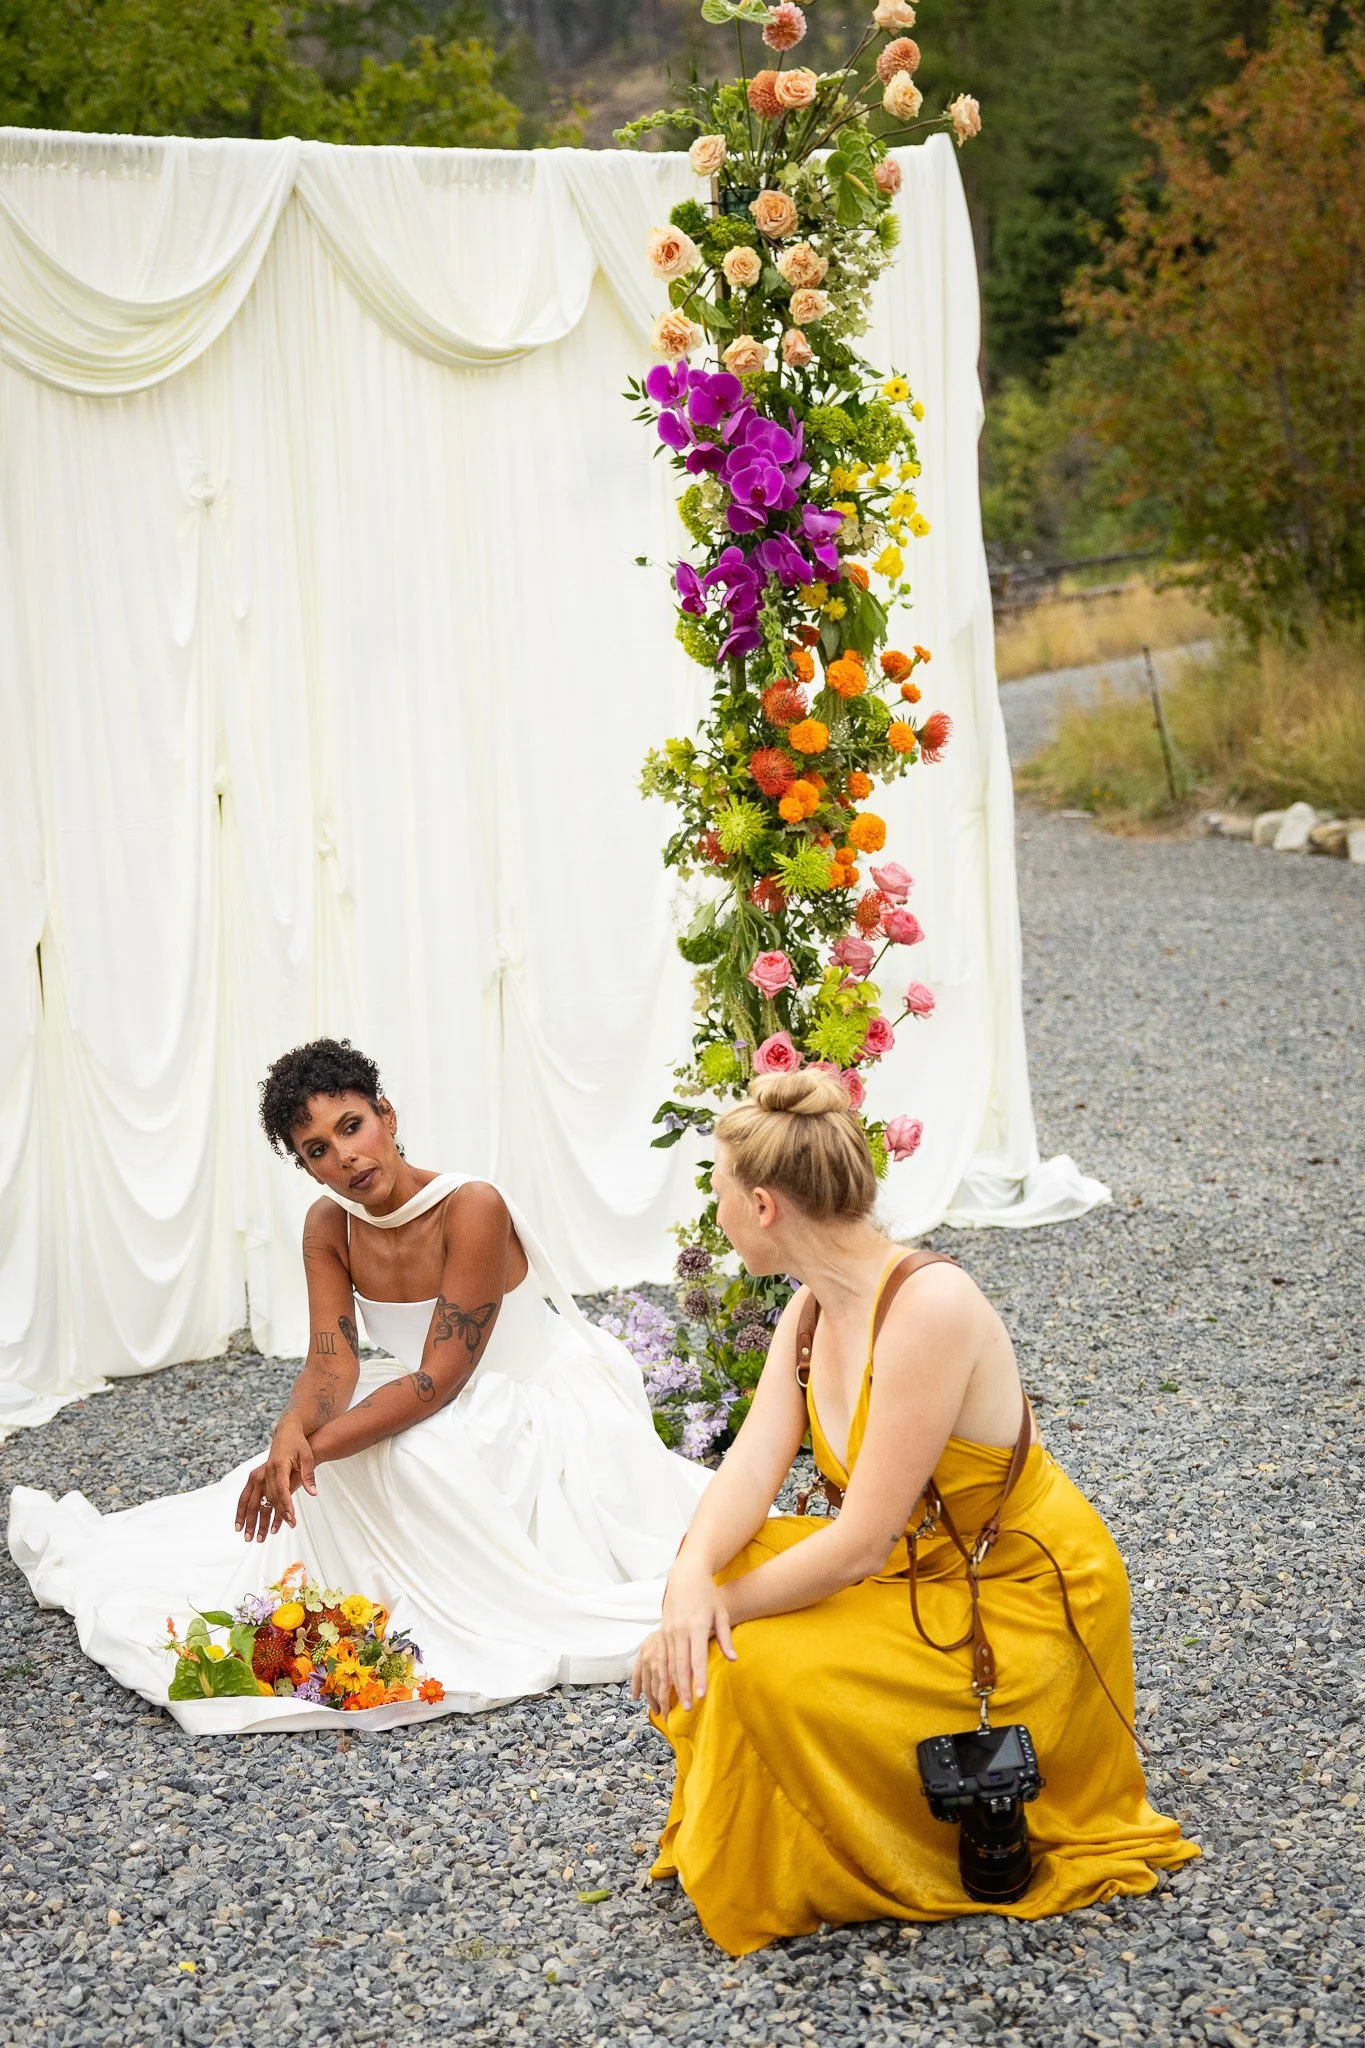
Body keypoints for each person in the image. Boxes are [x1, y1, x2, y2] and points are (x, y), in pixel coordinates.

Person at [631, 1070, 1198, 1954]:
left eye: (719, 1194)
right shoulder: (810, 1311)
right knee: (722, 1572)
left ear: (764, 1205)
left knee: (743, 1659)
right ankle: (779, 1825)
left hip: (1011, 1592)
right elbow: (747, 1470)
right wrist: (688, 1582)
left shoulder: (929, 1307)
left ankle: (831, 1850)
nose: (718, 1214)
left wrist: (710, 1617)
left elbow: (858, 1544)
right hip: (920, 1564)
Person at [9, 1039, 709, 1733]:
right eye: (316, 1149)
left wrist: (312, 1452)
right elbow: (330, 1364)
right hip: (436, 1388)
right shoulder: (328, 1225)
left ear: (387, 1115)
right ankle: (353, 1611)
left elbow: (440, 1378)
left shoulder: (471, 1206)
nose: (343, 1156)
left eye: (351, 1126)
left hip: (530, 1396)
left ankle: (426, 1609)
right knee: (330, 1457)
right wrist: (289, 1433)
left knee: (403, 1456)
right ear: (306, 1167)